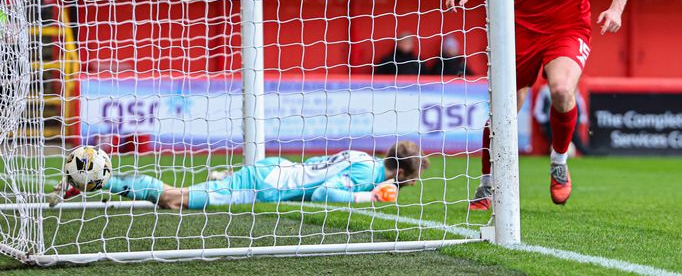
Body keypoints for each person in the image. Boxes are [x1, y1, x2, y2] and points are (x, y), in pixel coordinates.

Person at [445, 0, 636, 208]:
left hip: (569, 29)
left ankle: (560, 161)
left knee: (563, 89)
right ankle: (488, 183)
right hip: (520, 30)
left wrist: (616, 9)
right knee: (506, 107)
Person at [50, 141, 429, 209]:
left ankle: (94, 180)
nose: (411, 185)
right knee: (173, 199)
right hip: (264, 184)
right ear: (400, 172)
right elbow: (323, 194)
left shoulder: (364, 158)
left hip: (275, 170)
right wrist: (371, 197)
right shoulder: (369, 174)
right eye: (411, 179)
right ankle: (95, 179)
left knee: (174, 203)